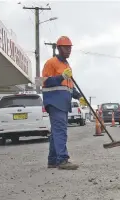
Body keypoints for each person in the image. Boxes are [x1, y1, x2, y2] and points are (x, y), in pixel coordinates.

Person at [42, 36, 87, 170]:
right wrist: (62, 76)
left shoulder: (67, 66)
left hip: (63, 103)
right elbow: (43, 81)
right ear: (58, 48)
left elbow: (69, 87)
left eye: (70, 48)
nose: (68, 50)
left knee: (57, 132)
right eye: (65, 48)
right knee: (61, 131)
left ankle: (52, 160)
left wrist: (78, 97)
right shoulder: (51, 63)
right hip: (54, 102)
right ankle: (62, 160)